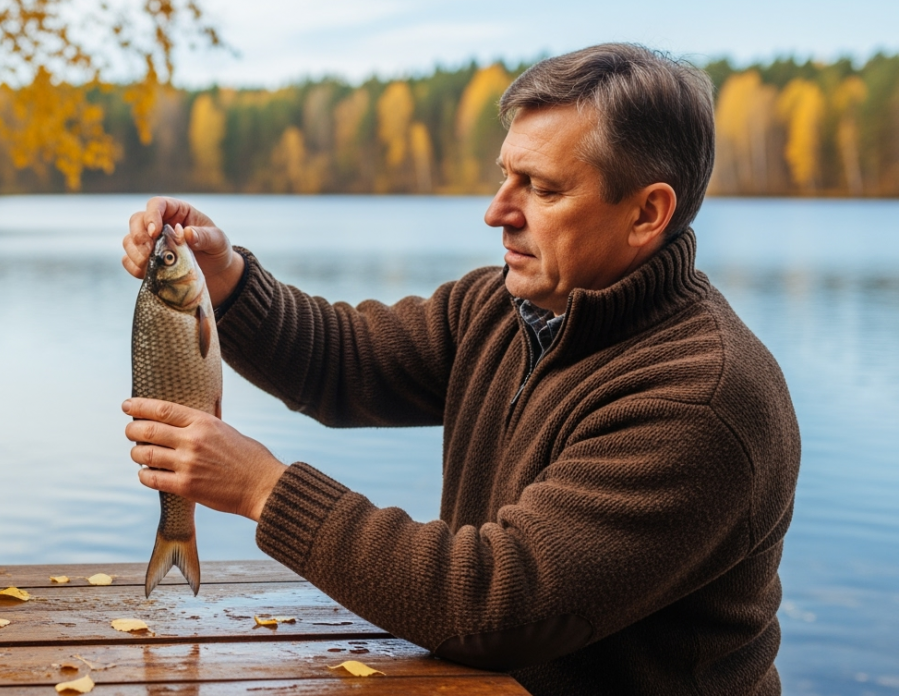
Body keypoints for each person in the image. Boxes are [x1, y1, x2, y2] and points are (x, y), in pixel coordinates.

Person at [119, 43, 799, 695]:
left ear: (647, 213)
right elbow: (343, 359)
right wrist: (226, 281)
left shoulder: (701, 399)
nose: (498, 211)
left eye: (540, 189)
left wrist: (264, 490)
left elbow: (496, 605)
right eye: (505, 175)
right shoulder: (505, 305)